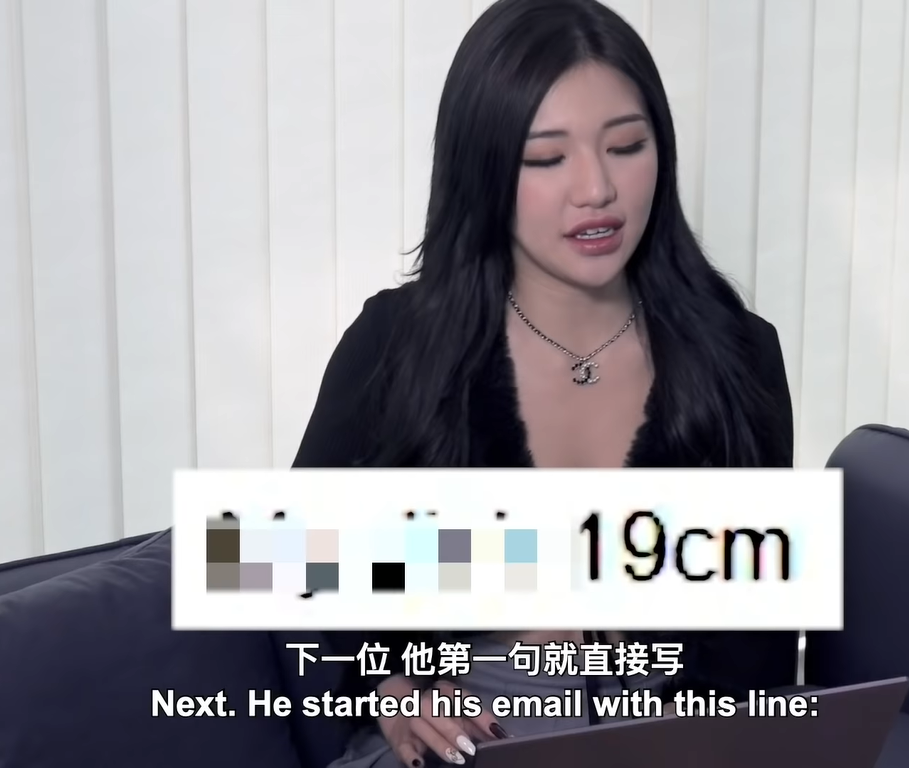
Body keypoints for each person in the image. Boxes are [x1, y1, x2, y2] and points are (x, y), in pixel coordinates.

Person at [292, 0, 797, 765]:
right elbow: (292, 559)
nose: (597, 188)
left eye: (626, 146)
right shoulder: (396, 344)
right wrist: (392, 685)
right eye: (546, 158)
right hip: (471, 735)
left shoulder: (739, 354)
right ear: (485, 169)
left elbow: (757, 643)